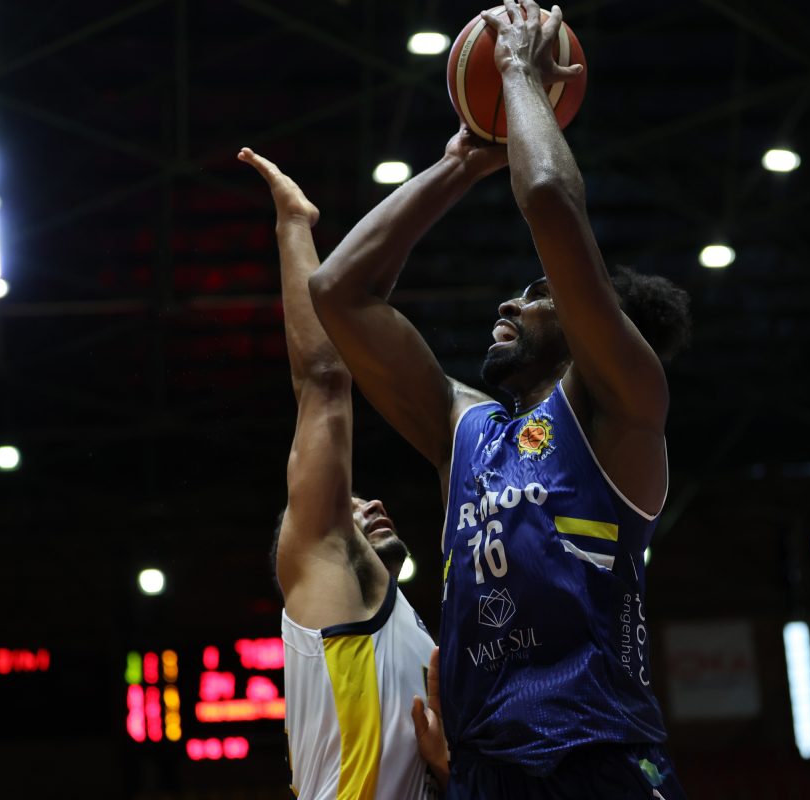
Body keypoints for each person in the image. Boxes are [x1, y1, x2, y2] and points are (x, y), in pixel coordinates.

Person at [306, 1, 691, 795]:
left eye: (540, 292)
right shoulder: (469, 431)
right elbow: (338, 290)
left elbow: (549, 196)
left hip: (598, 763)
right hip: (484, 776)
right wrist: (459, 164)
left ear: (590, 320)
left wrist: (517, 73)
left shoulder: (622, 404)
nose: (512, 302)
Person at [239, 147, 447, 799]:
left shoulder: (405, 630)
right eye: (347, 507)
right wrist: (293, 226)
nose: (369, 503)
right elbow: (324, 381)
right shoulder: (322, 575)